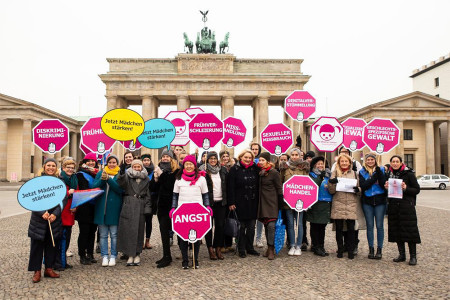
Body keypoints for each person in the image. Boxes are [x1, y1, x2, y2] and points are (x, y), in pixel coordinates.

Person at [170, 155, 212, 269]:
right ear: (184, 165)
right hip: (182, 211)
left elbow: (205, 195)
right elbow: (175, 195)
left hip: (197, 211)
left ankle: (195, 259)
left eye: (191, 164)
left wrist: (207, 206)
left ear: (195, 165)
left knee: (196, 237)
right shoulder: (178, 179)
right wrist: (173, 208)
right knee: (183, 237)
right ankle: (185, 260)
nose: (189, 166)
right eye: (187, 164)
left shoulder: (201, 179)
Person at [28, 158, 62, 283]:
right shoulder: (36, 181)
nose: (51, 167)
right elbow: (31, 199)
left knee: (51, 245)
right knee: (37, 246)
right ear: (44, 167)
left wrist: (55, 214)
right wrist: (42, 212)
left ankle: (49, 268)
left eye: (53, 165)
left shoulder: (60, 181)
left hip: (53, 219)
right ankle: (36, 271)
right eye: (49, 165)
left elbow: (62, 201)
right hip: (39, 220)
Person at [384, 155, 421, 266]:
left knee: (410, 231)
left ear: (401, 163)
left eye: (397, 161)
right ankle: (402, 255)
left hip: (406, 206)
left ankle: (413, 257)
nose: (395, 163)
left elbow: (417, 189)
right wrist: (386, 188)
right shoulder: (389, 175)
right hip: (394, 206)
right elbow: (387, 191)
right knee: (397, 230)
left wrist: (406, 188)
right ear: (390, 163)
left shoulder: (409, 174)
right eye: (393, 162)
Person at [117, 159, 151, 266]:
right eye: (135, 166)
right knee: (128, 230)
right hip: (129, 204)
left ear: (142, 167)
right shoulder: (127, 176)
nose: (137, 168)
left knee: (140, 230)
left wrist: (147, 208)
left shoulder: (146, 179)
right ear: (131, 167)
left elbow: (148, 195)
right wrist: (122, 172)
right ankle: (129, 254)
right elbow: (121, 183)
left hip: (140, 205)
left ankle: (137, 254)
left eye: (138, 166)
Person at [227, 149, 260, 258]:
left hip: (252, 201)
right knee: (241, 227)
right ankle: (241, 248)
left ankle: (249, 247)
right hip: (239, 201)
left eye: (250, 158)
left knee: (251, 227)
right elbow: (230, 187)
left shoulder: (255, 168)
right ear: (241, 157)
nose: (247, 159)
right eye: (245, 157)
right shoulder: (234, 169)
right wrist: (231, 202)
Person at [331, 146, 363, 255]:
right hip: (338, 203)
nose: (344, 163)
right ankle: (340, 249)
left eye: (346, 161)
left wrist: (357, 189)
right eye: (342, 161)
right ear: (339, 163)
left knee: (351, 229)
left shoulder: (354, 173)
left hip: (351, 204)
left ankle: (350, 250)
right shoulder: (335, 172)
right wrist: (332, 182)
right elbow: (331, 191)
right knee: (339, 229)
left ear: (349, 163)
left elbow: (359, 189)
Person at [92, 155, 123, 267]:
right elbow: (94, 186)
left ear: (117, 164)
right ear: (107, 163)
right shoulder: (101, 173)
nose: (112, 164)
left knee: (114, 234)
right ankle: (105, 255)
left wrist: (109, 180)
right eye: (110, 162)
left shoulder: (120, 174)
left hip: (114, 208)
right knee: (103, 235)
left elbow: (120, 190)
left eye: (114, 162)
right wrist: (102, 180)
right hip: (102, 207)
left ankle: (113, 255)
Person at [151, 149, 179, 268]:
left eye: (167, 156)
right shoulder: (158, 169)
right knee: (163, 231)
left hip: (173, 205)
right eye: (163, 157)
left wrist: (161, 175)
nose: (165, 158)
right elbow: (152, 188)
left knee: (177, 231)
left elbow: (169, 186)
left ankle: (185, 255)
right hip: (161, 205)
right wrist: (155, 179)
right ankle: (166, 255)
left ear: (171, 158)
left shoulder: (176, 171)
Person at [280, 148, 309, 256]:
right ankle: (292, 245)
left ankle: (299, 245)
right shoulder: (285, 168)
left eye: (297, 154)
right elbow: (281, 182)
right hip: (288, 201)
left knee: (300, 224)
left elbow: (307, 184)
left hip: (300, 202)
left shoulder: (304, 169)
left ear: (300, 156)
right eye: (293, 154)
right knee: (290, 224)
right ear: (290, 155)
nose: (295, 156)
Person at [359, 153, 387, 260]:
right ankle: (371, 248)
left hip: (380, 200)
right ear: (365, 161)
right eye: (368, 160)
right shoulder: (362, 172)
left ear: (375, 160)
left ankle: (379, 249)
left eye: (372, 159)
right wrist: (374, 177)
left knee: (379, 226)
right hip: (367, 201)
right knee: (370, 226)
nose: (370, 161)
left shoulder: (381, 170)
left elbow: (383, 185)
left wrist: (378, 173)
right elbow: (364, 186)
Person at [201, 151, 228, 260]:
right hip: (209, 203)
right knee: (208, 227)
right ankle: (210, 249)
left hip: (221, 202)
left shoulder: (223, 170)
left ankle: (218, 247)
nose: (213, 160)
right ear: (207, 160)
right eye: (211, 158)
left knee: (220, 226)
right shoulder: (203, 171)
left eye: (214, 158)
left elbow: (226, 185)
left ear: (217, 160)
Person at [257, 152, 283, 260]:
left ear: (268, 161)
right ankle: (268, 247)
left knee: (272, 226)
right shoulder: (259, 172)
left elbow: (279, 187)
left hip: (272, 202)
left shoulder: (274, 172)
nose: (261, 162)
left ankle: (271, 249)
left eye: (263, 160)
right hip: (262, 202)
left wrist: (280, 202)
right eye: (260, 160)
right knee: (267, 225)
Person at [76, 152, 100, 265]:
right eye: (89, 161)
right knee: (84, 232)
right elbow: (83, 190)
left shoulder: (97, 174)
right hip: (84, 207)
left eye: (93, 161)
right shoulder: (80, 174)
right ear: (85, 162)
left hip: (94, 206)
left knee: (92, 231)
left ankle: (90, 254)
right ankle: (82, 254)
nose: (91, 162)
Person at [307, 156, 332, 257]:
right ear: (314, 165)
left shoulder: (329, 175)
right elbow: (312, 187)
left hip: (326, 203)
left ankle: (321, 246)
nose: (321, 165)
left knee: (322, 226)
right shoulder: (311, 175)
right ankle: (315, 245)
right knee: (315, 226)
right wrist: (319, 178)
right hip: (316, 203)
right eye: (318, 164)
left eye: (322, 164)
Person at [55, 158, 78, 271]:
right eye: (68, 167)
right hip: (60, 212)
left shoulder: (74, 179)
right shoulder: (59, 179)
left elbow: (77, 195)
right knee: (59, 238)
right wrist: (67, 193)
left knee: (67, 238)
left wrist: (76, 206)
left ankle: (63, 260)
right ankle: (57, 262)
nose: (70, 169)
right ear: (63, 168)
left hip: (70, 212)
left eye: (72, 168)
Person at [250, 142, 264, 248]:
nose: (255, 151)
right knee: (250, 219)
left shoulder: (261, 162)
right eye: (253, 149)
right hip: (249, 194)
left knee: (259, 219)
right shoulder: (247, 161)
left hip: (260, 193)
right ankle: (249, 238)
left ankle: (258, 238)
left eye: (256, 149)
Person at [141, 154, 155, 250]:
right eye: (144, 160)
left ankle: (147, 240)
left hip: (150, 199)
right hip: (141, 198)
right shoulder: (139, 171)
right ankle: (140, 241)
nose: (146, 162)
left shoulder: (154, 172)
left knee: (149, 221)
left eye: (148, 160)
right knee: (140, 221)